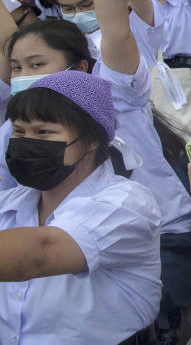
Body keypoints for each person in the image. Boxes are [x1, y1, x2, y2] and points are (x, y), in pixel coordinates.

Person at [0, 70, 162, 343]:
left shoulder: (126, 203)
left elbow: (40, 253)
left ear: (91, 141)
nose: (27, 142)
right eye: (18, 131)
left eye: (44, 132)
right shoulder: (9, 203)